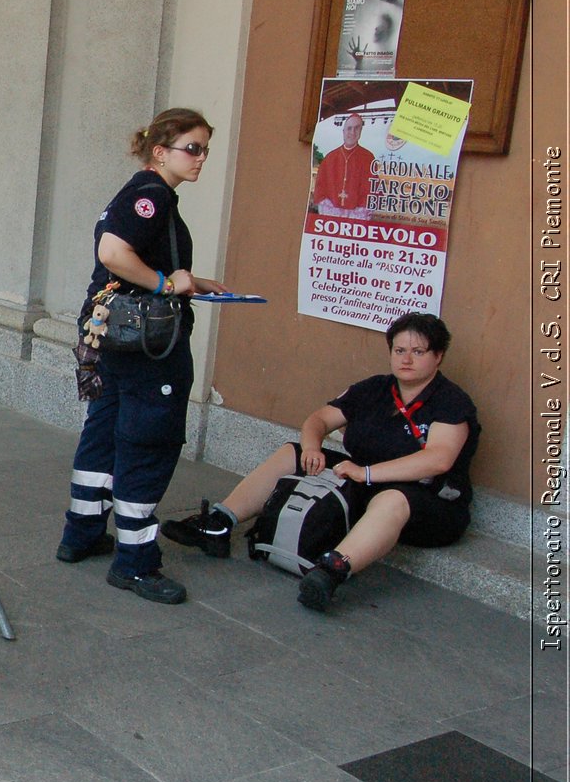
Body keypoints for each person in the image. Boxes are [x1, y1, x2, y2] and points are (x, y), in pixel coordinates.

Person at [163, 312, 479, 611]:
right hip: (362, 484)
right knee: (293, 452)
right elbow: (318, 419)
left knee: (393, 498)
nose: (406, 359)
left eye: (418, 351)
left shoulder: (450, 401)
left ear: (438, 356)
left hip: (429, 503)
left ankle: (332, 571)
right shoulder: (376, 388)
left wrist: (366, 473)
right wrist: (312, 447)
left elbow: (438, 459)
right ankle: (219, 524)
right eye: (399, 350)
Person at [55, 108, 229, 605]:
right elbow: (113, 253)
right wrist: (164, 283)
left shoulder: (142, 191)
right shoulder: (152, 196)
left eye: (205, 151)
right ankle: (134, 563)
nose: (200, 160)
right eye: (192, 149)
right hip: (148, 345)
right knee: (148, 441)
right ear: (161, 150)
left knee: (105, 430)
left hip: (113, 335)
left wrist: (190, 281)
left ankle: (82, 533)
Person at [313, 112, 375, 217]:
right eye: (349, 128)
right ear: (343, 131)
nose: (352, 132)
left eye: (357, 128)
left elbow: (372, 189)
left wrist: (360, 210)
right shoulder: (330, 157)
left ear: (361, 131)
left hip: (357, 214)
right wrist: (329, 207)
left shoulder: (368, 158)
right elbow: (320, 187)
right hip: (331, 211)